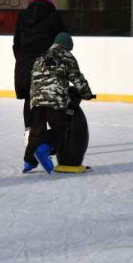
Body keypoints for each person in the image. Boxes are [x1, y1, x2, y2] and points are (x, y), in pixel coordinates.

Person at [24, 32, 94, 174]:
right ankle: (44, 148)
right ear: (67, 45)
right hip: (54, 100)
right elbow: (77, 79)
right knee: (60, 130)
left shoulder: (42, 56)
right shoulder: (67, 56)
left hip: (36, 99)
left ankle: (29, 161)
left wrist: (35, 98)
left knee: (36, 131)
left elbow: (34, 79)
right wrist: (87, 94)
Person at [13, 0, 66, 132]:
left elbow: (16, 44)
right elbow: (63, 42)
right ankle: (44, 141)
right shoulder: (54, 17)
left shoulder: (22, 16)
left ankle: (30, 132)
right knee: (47, 102)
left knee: (30, 100)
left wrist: (23, 61)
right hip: (46, 69)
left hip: (24, 68)